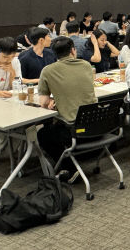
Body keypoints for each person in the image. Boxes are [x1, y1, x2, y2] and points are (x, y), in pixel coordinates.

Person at [37, 36, 97, 176]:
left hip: (74, 130)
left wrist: (55, 98)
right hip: (95, 125)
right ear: (73, 50)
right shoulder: (86, 65)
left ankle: (69, 167)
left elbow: (43, 103)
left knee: (43, 134)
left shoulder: (48, 70)